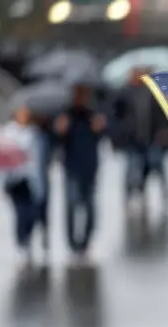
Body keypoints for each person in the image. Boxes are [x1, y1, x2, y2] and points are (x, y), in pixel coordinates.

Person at [54, 84, 106, 264]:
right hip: (71, 167)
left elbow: (108, 134)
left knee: (90, 207)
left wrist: (100, 128)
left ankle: (85, 243)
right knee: (72, 204)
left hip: (90, 167)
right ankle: (73, 245)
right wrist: (60, 130)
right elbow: (57, 140)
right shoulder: (65, 114)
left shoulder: (94, 114)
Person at [113, 66, 168, 215]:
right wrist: (120, 134)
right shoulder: (124, 93)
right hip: (132, 140)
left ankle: (162, 192)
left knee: (155, 165)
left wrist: (163, 130)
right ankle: (131, 195)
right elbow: (115, 115)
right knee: (132, 170)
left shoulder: (153, 92)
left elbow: (161, 113)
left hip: (151, 138)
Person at [2, 106, 43, 266]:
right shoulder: (9, 132)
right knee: (20, 213)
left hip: (30, 178)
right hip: (14, 179)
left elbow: (37, 157)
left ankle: (27, 239)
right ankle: (21, 243)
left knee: (32, 213)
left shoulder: (33, 133)